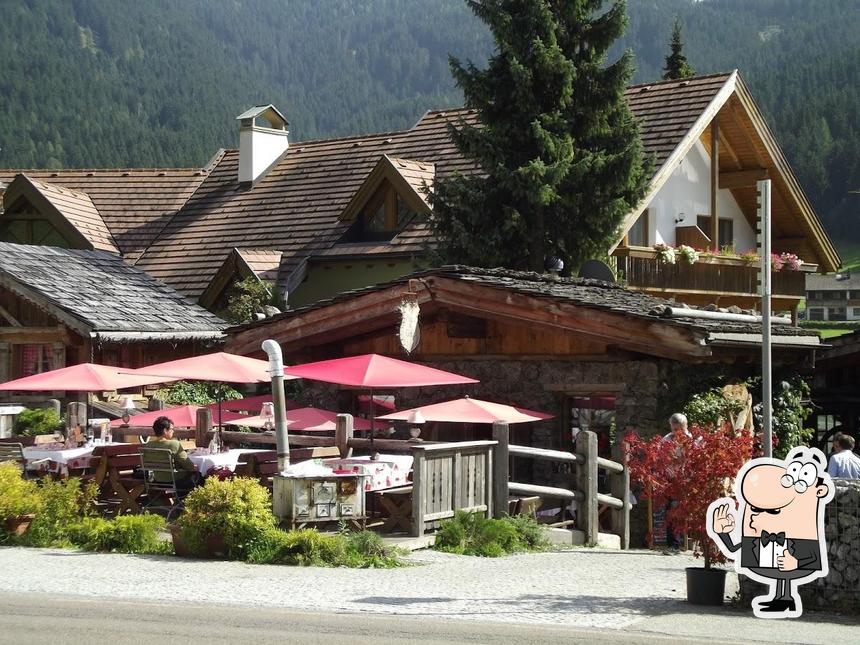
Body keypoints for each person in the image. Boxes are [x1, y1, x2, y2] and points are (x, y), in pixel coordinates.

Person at [710, 446, 834, 617]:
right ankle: (781, 598)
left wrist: (796, 563)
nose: (755, 516)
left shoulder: (801, 536)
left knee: (786, 573)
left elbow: (812, 557)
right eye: (754, 509)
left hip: (793, 558)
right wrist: (722, 532)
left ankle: (785, 599)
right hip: (769, 560)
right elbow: (733, 550)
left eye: (772, 511)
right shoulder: (757, 538)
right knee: (781, 573)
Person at [141, 416, 199, 491]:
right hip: (175, 481)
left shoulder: (148, 445)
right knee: (200, 475)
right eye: (172, 429)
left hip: (157, 480)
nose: (173, 431)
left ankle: (178, 501)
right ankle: (185, 501)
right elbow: (188, 465)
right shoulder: (174, 444)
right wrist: (195, 467)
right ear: (165, 430)